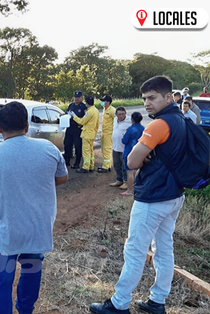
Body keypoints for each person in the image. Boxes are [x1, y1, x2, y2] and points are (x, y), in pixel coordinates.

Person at [90, 75, 187, 314]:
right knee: (164, 248)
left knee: (135, 250)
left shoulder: (157, 125)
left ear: (167, 96)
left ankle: (119, 303)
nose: (147, 103)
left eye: (152, 98)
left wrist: (143, 155)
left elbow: (132, 162)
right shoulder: (181, 119)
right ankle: (157, 301)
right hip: (174, 195)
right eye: (144, 98)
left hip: (153, 197)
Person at [0, 101, 68, 314]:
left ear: (0, 128)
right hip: (36, 230)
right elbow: (62, 178)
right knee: (31, 273)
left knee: (2, 281)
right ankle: (25, 309)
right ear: (27, 126)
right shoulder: (48, 148)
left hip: (4, 233)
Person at [71, 95, 99, 173]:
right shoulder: (95, 110)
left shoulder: (89, 112)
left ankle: (86, 167)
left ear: (86, 102)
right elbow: (97, 124)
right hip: (92, 133)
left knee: (86, 151)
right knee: (90, 151)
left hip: (87, 133)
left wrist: (74, 116)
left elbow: (82, 121)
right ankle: (91, 165)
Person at [120, 112, 144, 196]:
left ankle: (130, 190)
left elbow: (124, 141)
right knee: (136, 171)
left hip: (129, 151)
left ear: (132, 119)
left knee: (130, 172)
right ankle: (137, 188)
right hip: (140, 151)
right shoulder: (143, 128)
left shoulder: (130, 129)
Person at [63, 91, 87, 169]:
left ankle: (77, 163)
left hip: (78, 129)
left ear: (81, 97)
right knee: (67, 145)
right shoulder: (71, 105)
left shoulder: (83, 107)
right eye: (75, 97)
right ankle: (67, 161)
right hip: (69, 128)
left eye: (78, 97)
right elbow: (67, 113)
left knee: (78, 146)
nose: (76, 98)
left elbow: (85, 119)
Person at [109, 107, 130, 189]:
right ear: (116, 114)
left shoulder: (129, 121)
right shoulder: (115, 120)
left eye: (123, 114)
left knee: (125, 165)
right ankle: (119, 179)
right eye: (119, 114)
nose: (121, 116)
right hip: (115, 146)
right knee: (116, 164)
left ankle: (126, 181)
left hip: (124, 148)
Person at [99, 95, 116, 173]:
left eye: (104, 101)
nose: (102, 102)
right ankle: (107, 165)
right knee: (103, 149)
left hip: (109, 133)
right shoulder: (104, 109)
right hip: (104, 132)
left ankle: (106, 167)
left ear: (108, 102)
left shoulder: (112, 110)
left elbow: (117, 120)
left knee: (107, 149)